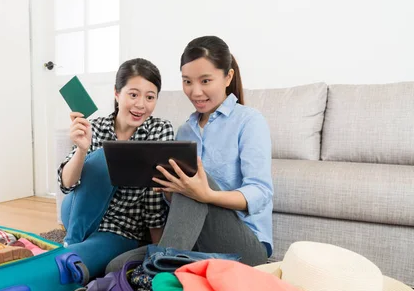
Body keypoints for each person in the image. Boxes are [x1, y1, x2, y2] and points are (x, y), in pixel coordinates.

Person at [107, 36, 272, 271]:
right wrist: (168, 190)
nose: (195, 92)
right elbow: (183, 209)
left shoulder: (249, 121)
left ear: (228, 77)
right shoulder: (185, 130)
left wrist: (206, 195)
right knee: (115, 267)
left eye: (205, 81)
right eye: (187, 81)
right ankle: (168, 271)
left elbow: (260, 192)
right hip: (197, 243)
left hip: (246, 248)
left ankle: (158, 275)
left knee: (190, 182)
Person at [58, 58, 174, 277]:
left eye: (150, 97)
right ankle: (72, 240)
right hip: (77, 212)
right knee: (102, 156)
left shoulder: (160, 130)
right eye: (133, 94)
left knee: (68, 264)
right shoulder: (97, 126)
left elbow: (154, 197)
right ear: (117, 93)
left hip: (119, 229)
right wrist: (82, 150)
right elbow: (67, 184)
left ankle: (70, 247)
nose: (141, 104)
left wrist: (158, 252)